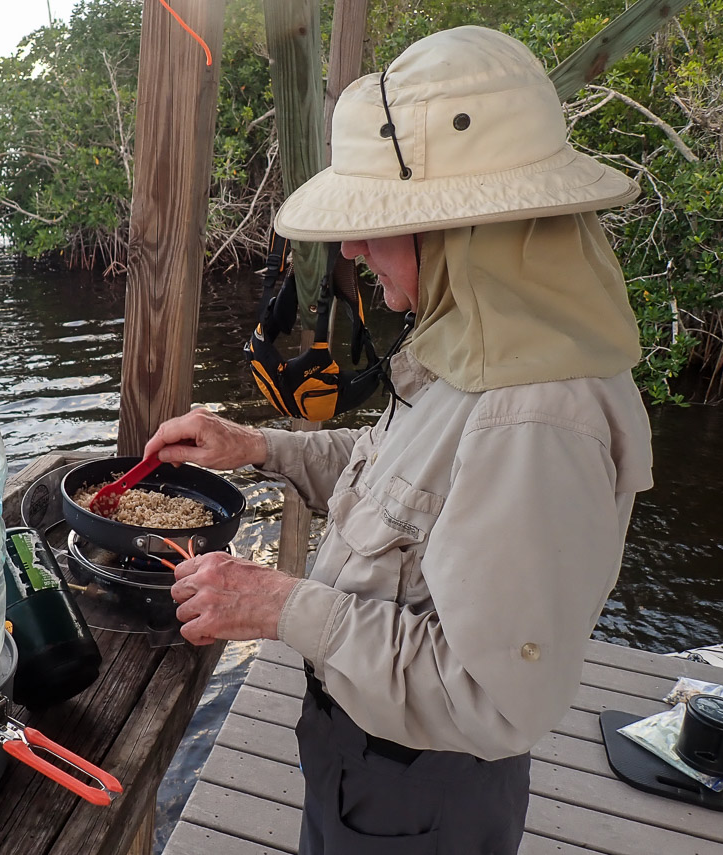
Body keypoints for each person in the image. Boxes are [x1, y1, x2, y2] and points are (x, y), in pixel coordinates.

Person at [145, 26, 654, 855]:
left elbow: (493, 699)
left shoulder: (536, 415)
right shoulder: (482, 341)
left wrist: (279, 604)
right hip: (368, 764)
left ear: (465, 231)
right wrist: (259, 446)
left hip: (421, 795)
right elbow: (414, 487)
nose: (350, 248)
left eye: (380, 223)